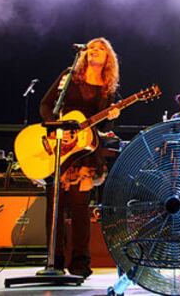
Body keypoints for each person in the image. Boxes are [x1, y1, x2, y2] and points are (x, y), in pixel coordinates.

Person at [39, 37, 120, 278]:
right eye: (92, 48)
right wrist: (55, 128)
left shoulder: (107, 88)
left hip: (86, 153)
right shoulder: (69, 77)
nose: (94, 51)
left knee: (80, 208)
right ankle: (54, 261)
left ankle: (80, 263)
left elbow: (104, 123)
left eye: (101, 49)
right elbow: (46, 104)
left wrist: (112, 115)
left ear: (108, 59)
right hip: (61, 149)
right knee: (55, 206)